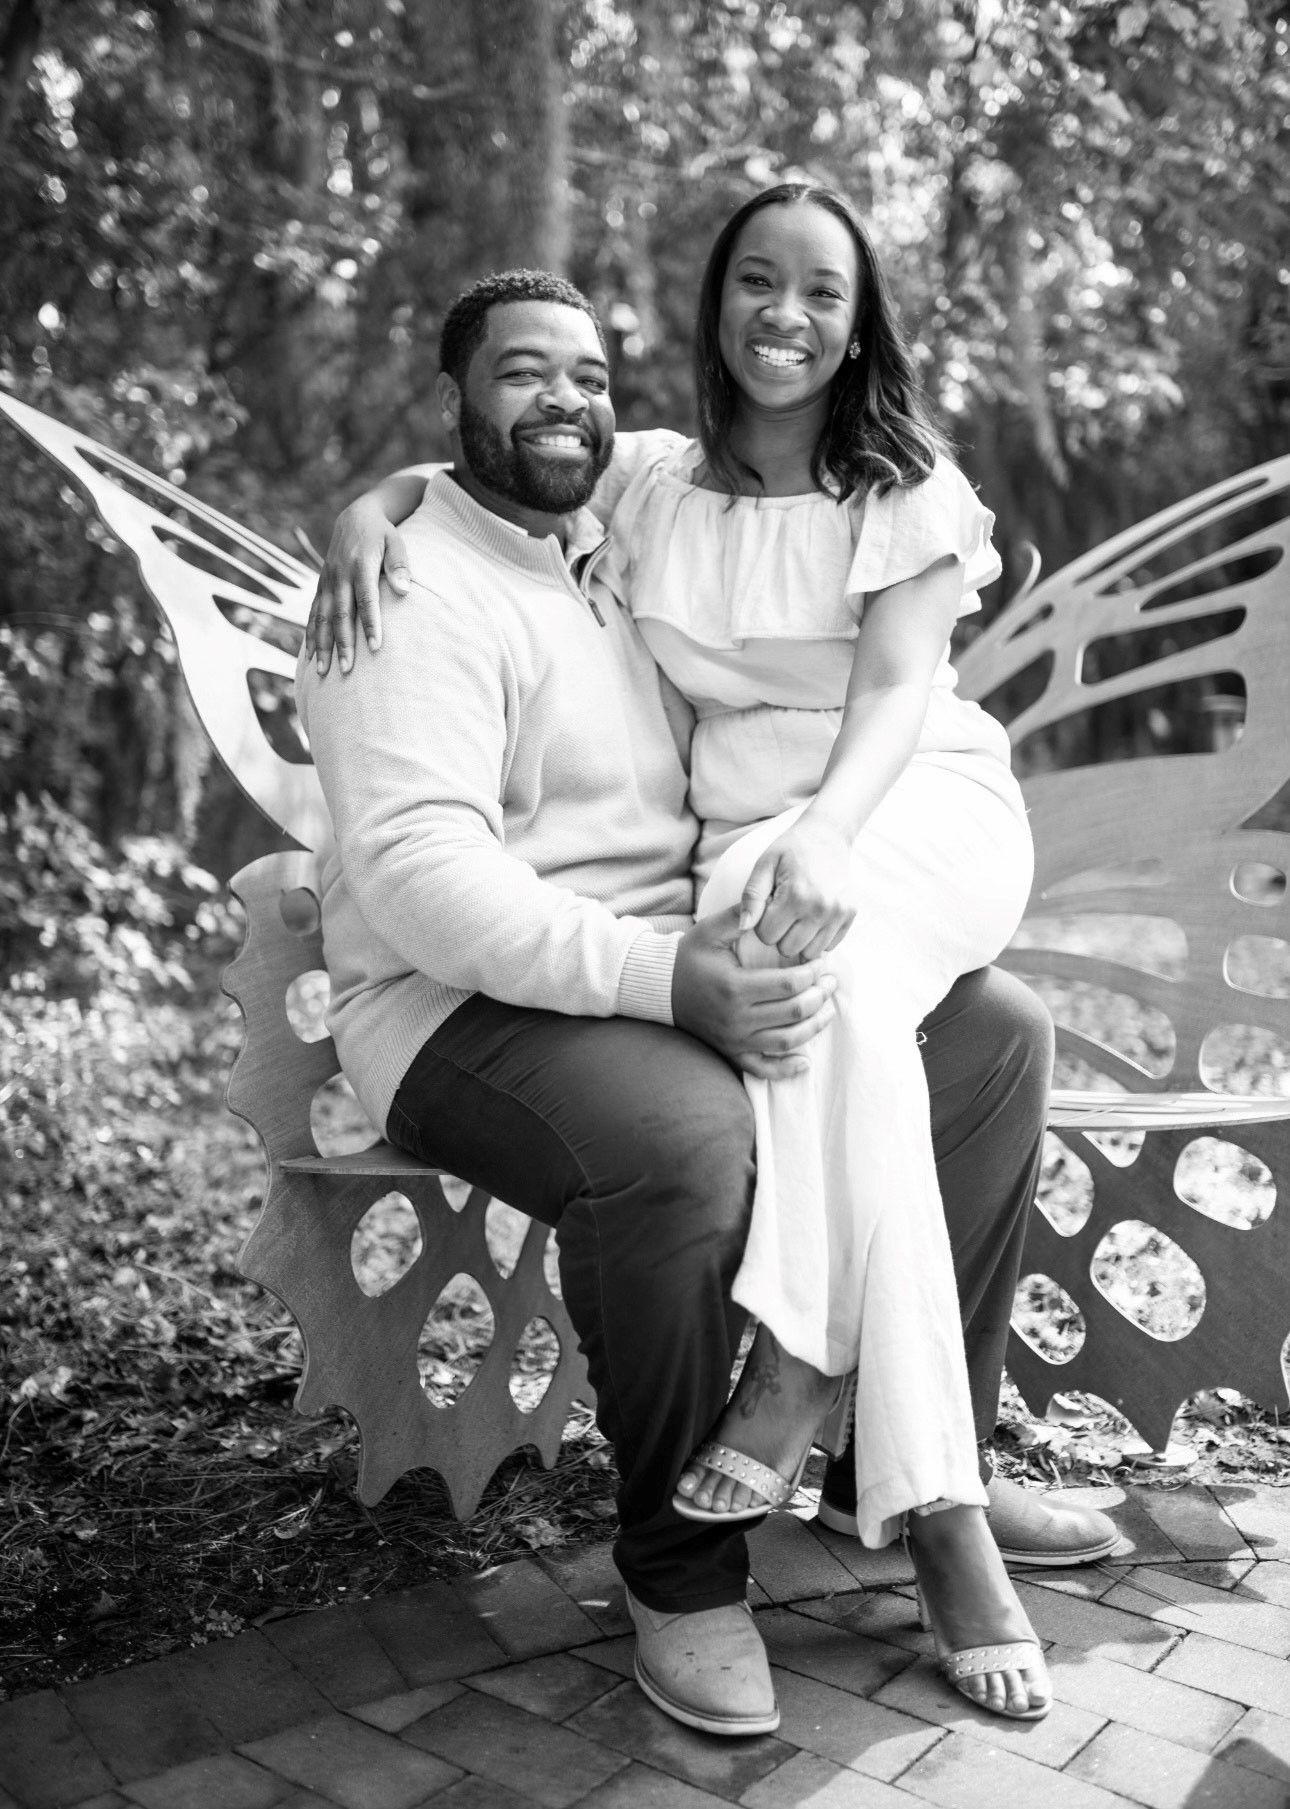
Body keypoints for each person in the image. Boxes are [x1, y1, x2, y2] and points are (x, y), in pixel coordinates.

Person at [299, 259, 1110, 1736]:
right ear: (456, 401)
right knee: (683, 1143)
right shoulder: (405, 586)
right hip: (449, 1005)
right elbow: (420, 880)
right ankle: (683, 1570)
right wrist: (672, 977)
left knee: (990, 1039)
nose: (564, 400)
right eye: (520, 371)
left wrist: (685, 964)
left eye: (589, 375)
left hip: (648, 965)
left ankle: (909, 1467)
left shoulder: (618, 533)